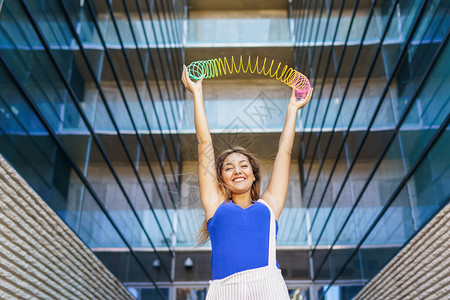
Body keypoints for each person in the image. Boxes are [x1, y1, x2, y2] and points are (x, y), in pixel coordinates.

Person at [181, 65, 313, 300]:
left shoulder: (269, 206)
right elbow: (204, 143)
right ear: (221, 179)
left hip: (269, 287)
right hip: (225, 290)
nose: (237, 170)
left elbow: (284, 152)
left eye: (243, 165)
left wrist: (293, 108)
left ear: (253, 175)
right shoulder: (216, 206)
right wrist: (197, 92)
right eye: (228, 168)